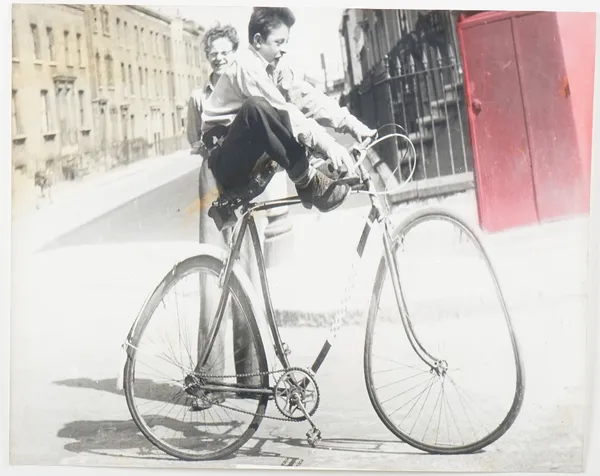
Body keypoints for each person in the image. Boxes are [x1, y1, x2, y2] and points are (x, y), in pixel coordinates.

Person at [200, 7, 377, 213]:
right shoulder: (247, 66)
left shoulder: (275, 66)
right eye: (279, 42)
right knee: (256, 107)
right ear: (258, 41)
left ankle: (314, 173)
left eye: (286, 42)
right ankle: (307, 180)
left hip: (248, 151)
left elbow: (307, 97)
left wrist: (352, 125)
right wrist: (330, 146)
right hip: (224, 162)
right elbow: (284, 111)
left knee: (281, 115)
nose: (284, 49)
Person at [187, 24, 262, 410]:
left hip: (244, 180)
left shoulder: (245, 85)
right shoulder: (197, 97)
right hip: (212, 181)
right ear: (208, 57)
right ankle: (212, 383)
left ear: (234, 52)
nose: (218, 56)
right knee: (209, 277)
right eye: (212, 52)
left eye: (224, 50)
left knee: (245, 274)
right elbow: (192, 139)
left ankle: (251, 380)